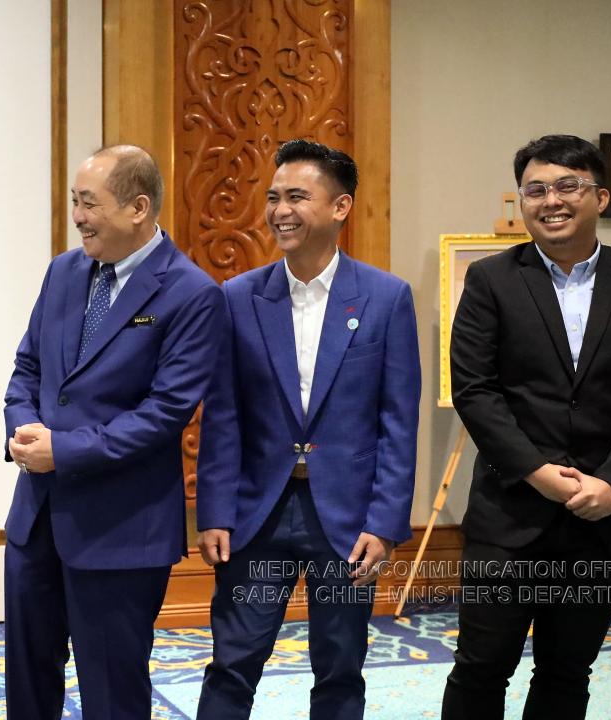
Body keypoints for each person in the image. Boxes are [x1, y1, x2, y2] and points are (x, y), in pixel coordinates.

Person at [441, 135, 611, 719]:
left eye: (567, 186)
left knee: (567, 672)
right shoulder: (491, 279)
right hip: (509, 516)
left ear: (600, 197)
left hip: (600, 517)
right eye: (536, 190)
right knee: (480, 668)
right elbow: (475, 389)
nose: (551, 200)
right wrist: (537, 473)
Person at [194, 139, 421, 720]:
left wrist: (385, 523)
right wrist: (214, 511)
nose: (280, 211)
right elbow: (223, 415)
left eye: (297, 197)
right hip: (257, 515)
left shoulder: (386, 297)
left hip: (346, 518)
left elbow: (398, 420)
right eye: (274, 198)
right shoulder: (238, 297)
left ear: (341, 207)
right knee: (232, 661)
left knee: (340, 668)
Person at [3, 144, 228, 719]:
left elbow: (166, 412)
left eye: (89, 203)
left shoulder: (192, 293)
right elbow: (28, 368)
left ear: (138, 208)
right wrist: (22, 426)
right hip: (36, 518)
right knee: (27, 682)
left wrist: (64, 451)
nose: (77, 217)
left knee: (111, 692)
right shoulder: (63, 272)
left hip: (121, 530)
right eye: (74, 201)